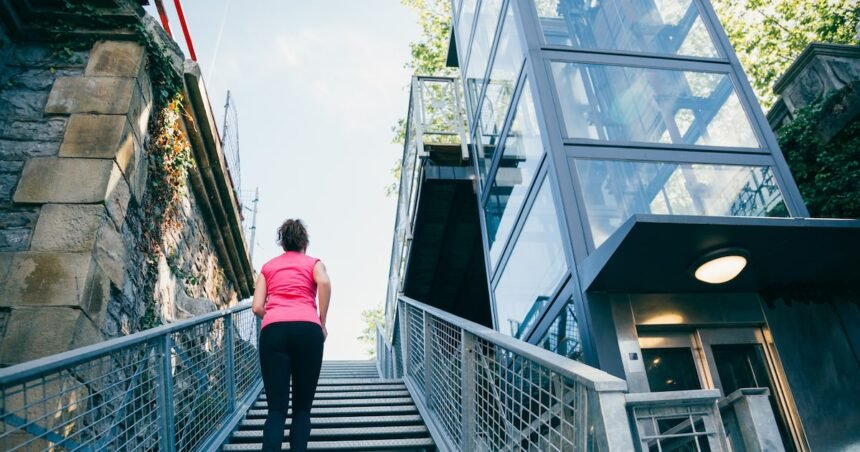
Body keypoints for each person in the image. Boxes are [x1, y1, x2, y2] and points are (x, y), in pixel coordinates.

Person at [251, 219, 330, 451]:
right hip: (308, 330)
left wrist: (275, 314)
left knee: (276, 410)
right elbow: (324, 283)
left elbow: (256, 307)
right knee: (302, 409)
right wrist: (322, 322)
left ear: (283, 244)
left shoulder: (268, 267)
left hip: (274, 332)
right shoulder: (314, 263)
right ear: (304, 243)